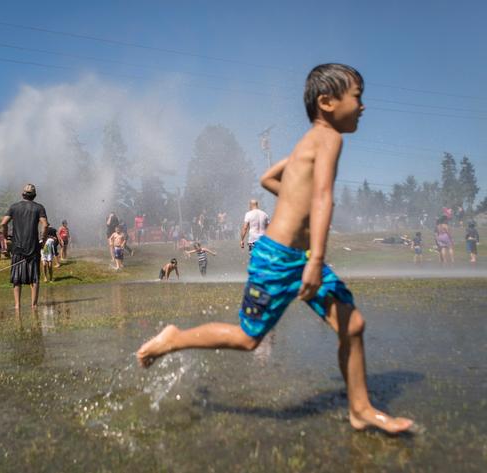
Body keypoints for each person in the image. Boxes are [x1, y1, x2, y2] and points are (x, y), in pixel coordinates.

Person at [137, 64, 413, 434]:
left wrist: (295, 206)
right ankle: (173, 339)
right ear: (327, 102)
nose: (363, 107)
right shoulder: (330, 138)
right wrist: (316, 257)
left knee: (353, 325)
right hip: (280, 259)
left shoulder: (309, 141)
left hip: (297, 257)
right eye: (358, 97)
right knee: (249, 338)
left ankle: (360, 408)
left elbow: (269, 178)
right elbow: (323, 198)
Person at [1, 184, 48, 310]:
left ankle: (17, 306)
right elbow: (45, 225)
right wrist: (43, 241)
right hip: (33, 247)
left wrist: (5, 238)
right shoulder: (39, 208)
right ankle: (34, 305)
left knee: (17, 278)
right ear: (34, 195)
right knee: (34, 277)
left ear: (22, 194)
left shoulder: (14, 207)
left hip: (17, 247)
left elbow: (3, 222)